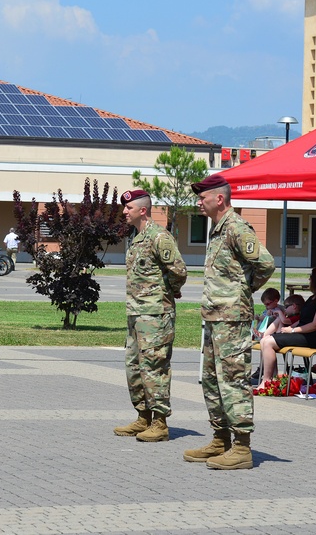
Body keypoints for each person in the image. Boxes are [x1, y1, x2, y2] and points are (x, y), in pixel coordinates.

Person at [183, 173, 269, 470]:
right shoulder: (217, 229)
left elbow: (265, 263)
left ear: (219, 199)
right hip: (215, 318)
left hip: (232, 319)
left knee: (233, 379)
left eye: (203, 198)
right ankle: (221, 439)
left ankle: (242, 447)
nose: (199, 202)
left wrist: (243, 290)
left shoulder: (235, 227)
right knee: (211, 379)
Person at [113, 189, 187, 442]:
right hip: (136, 313)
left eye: (128, 208)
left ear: (142, 210)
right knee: (134, 368)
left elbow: (178, 270)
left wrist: (169, 292)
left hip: (156, 314)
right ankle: (143, 416)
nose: (124, 211)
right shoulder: (136, 237)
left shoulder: (159, 237)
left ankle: (160, 422)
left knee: (154, 368)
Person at [257, 267, 316, 383]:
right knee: (265, 340)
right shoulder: (312, 298)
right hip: (301, 333)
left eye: (311, 278)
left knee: (268, 342)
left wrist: (292, 331)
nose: (309, 280)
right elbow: (302, 319)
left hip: (312, 337)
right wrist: (290, 327)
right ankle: (273, 379)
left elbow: (315, 325)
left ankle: (266, 381)